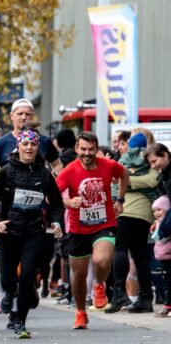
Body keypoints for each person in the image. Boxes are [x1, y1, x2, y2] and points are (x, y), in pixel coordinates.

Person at [0, 131, 65, 338]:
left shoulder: (44, 173)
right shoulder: (6, 171)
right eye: (25, 144)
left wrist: (56, 221)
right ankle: (9, 292)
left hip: (34, 232)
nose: (29, 148)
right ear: (18, 147)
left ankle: (20, 321)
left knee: (28, 275)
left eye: (33, 144)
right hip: (9, 232)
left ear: (38, 148)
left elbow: (57, 202)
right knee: (8, 280)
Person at [54, 131, 128, 329]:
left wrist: (120, 200)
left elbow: (124, 175)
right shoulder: (69, 171)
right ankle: (80, 312)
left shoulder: (108, 165)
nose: (87, 153)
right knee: (78, 275)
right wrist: (69, 201)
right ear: (77, 149)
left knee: (101, 260)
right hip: (78, 229)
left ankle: (99, 285)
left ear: (97, 149)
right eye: (83, 149)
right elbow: (52, 196)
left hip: (105, 223)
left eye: (91, 150)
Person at [107, 133, 160, 313]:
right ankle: (145, 298)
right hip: (143, 212)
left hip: (129, 210)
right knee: (139, 254)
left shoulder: (140, 158)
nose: (124, 146)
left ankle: (119, 293)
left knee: (121, 248)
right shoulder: (129, 160)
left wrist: (126, 181)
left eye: (125, 143)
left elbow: (152, 180)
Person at [0, 99, 61, 170]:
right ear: (12, 115)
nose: (24, 117)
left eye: (27, 114)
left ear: (32, 116)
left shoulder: (44, 141)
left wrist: (53, 181)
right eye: (20, 114)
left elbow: (57, 165)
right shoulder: (0, 144)